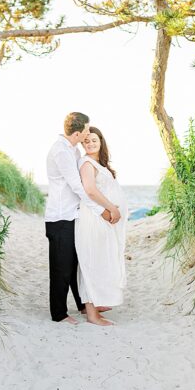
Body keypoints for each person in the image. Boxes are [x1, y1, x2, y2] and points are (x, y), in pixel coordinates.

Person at [44, 112, 121, 324]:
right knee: (61, 267)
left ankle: (82, 305)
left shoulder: (73, 150)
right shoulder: (61, 151)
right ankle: (59, 313)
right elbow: (79, 187)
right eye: (86, 130)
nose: (88, 133)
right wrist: (102, 210)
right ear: (77, 133)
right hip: (60, 217)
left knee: (77, 262)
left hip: (73, 215)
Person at [75, 126, 128, 326]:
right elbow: (90, 190)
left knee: (101, 261)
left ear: (101, 141)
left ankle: (95, 304)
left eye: (93, 140)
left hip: (102, 220)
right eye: (86, 141)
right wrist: (111, 209)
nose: (90, 143)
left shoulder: (99, 163)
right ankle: (91, 314)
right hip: (94, 219)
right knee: (92, 264)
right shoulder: (86, 163)